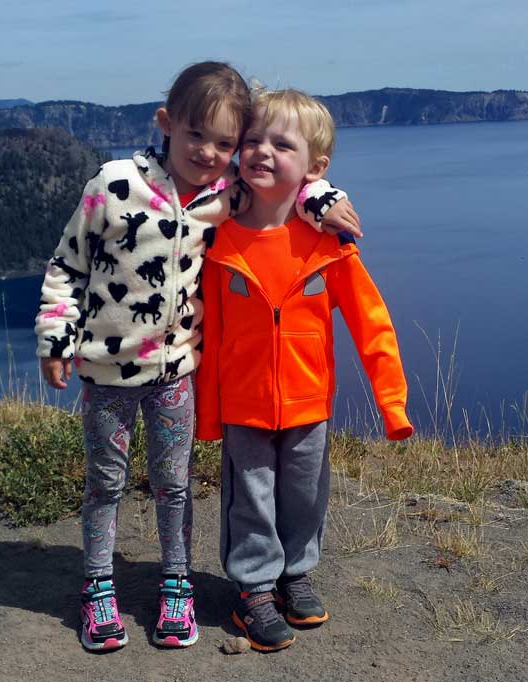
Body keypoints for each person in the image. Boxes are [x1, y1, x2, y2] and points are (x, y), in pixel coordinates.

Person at [35, 62, 360, 652]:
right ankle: (98, 589)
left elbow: (284, 185)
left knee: (175, 485)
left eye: (225, 143)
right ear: (166, 124)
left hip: (177, 373)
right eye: (195, 135)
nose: (209, 152)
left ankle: (176, 584)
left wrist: (322, 198)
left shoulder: (225, 195)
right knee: (106, 484)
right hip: (107, 373)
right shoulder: (113, 185)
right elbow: (68, 265)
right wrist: (56, 338)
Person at [195, 87, 413, 652]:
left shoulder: (328, 244)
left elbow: (372, 324)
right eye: (252, 140)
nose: (261, 151)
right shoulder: (216, 237)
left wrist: (392, 403)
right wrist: (205, 408)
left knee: (304, 494)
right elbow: (205, 328)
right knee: (251, 497)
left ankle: (296, 573)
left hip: (308, 401)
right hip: (243, 403)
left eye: (281, 144)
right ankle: (254, 589)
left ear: (315, 168)